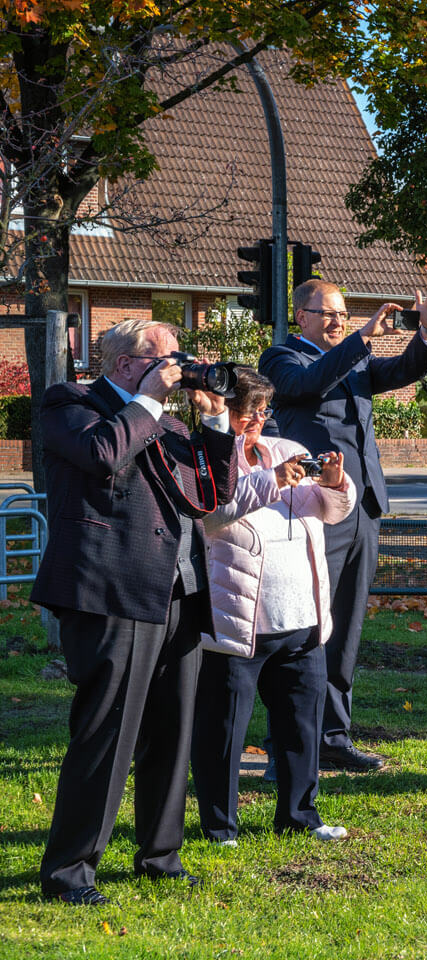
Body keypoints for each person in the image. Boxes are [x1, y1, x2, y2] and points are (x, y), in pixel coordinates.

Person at [33, 318, 238, 905]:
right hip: (111, 589)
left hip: (178, 590)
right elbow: (102, 455)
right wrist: (148, 400)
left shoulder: (167, 420)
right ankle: (70, 872)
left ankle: (159, 856)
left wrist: (215, 421)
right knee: (108, 732)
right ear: (126, 363)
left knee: (172, 732)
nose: (178, 368)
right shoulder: (71, 404)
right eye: (166, 359)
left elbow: (211, 494)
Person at [259, 280, 427, 772]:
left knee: (346, 627)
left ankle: (333, 737)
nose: (338, 321)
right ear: (301, 316)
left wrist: (426, 333)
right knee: (306, 627)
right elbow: (307, 385)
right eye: (328, 313)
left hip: (363, 509)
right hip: (317, 507)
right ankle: (288, 744)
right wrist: (361, 337)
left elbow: (403, 370)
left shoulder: (355, 361)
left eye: (343, 314)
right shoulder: (281, 359)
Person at [191, 367, 357, 846]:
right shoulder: (205, 456)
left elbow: (332, 512)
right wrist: (271, 480)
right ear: (224, 409)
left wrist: (335, 483)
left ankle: (300, 815)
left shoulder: (287, 449)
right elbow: (211, 515)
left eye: (264, 410)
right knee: (224, 730)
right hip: (238, 620)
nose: (259, 420)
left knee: (301, 725)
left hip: (301, 615)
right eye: (248, 411)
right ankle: (220, 827)